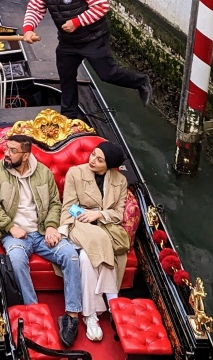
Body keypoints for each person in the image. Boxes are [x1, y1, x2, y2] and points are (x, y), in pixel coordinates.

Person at [0, 134, 84, 347]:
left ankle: (71, 316)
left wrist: (53, 226)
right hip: (14, 235)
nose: (6, 153)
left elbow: (55, 203)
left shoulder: (43, 173)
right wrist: (10, 226)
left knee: (71, 256)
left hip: (42, 232)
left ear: (26, 155)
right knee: (16, 259)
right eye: (6, 148)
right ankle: (33, 310)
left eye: (12, 151)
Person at [22, 0, 151, 119]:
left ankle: (141, 81)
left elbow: (101, 6)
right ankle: (69, 117)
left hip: (93, 38)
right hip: (68, 41)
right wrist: (28, 29)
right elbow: (35, 8)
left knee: (107, 74)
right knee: (66, 77)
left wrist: (77, 22)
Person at [59, 141, 131, 342]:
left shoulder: (120, 181)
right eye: (92, 155)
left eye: (99, 160)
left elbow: (118, 214)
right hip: (78, 224)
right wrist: (84, 215)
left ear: (109, 165)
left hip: (105, 226)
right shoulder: (76, 173)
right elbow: (69, 207)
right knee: (98, 240)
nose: (92, 160)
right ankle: (113, 301)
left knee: (85, 258)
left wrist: (97, 214)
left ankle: (90, 314)